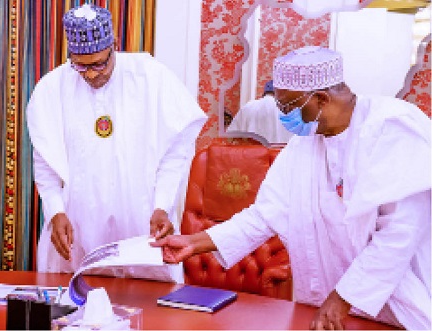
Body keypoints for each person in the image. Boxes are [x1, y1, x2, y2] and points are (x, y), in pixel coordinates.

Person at [152, 46, 430, 329]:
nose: (284, 116)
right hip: (334, 308)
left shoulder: (393, 128)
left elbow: (398, 235)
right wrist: (192, 243)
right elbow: (263, 215)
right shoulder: (305, 143)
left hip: (395, 303)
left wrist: (343, 298)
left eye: (288, 107)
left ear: (321, 98)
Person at [27, 3, 206, 282]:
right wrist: (55, 211)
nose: (91, 74)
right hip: (79, 225)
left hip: (142, 221)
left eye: (99, 63)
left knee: (148, 314)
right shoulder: (52, 88)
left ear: (114, 45)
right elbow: (45, 162)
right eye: (80, 66)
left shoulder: (150, 76)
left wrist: (163, 204)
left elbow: (176, 150)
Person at [227, 80, 293, 144]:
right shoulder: (289, 109)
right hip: (281, 153)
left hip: (254, 154)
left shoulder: (249, 107)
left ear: (265, 92)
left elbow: (230, 137)